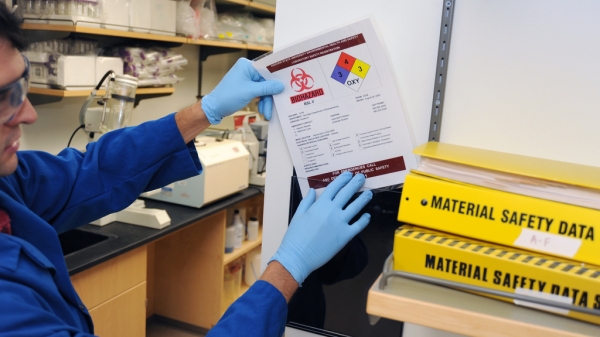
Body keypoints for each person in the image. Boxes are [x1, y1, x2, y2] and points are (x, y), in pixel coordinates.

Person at [0, 3, 373, 336]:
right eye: (5, 98)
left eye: (23, 84)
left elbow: (91, 173)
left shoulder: (8, 184)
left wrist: (206, 110)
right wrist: (288, 269)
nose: (29, 113)